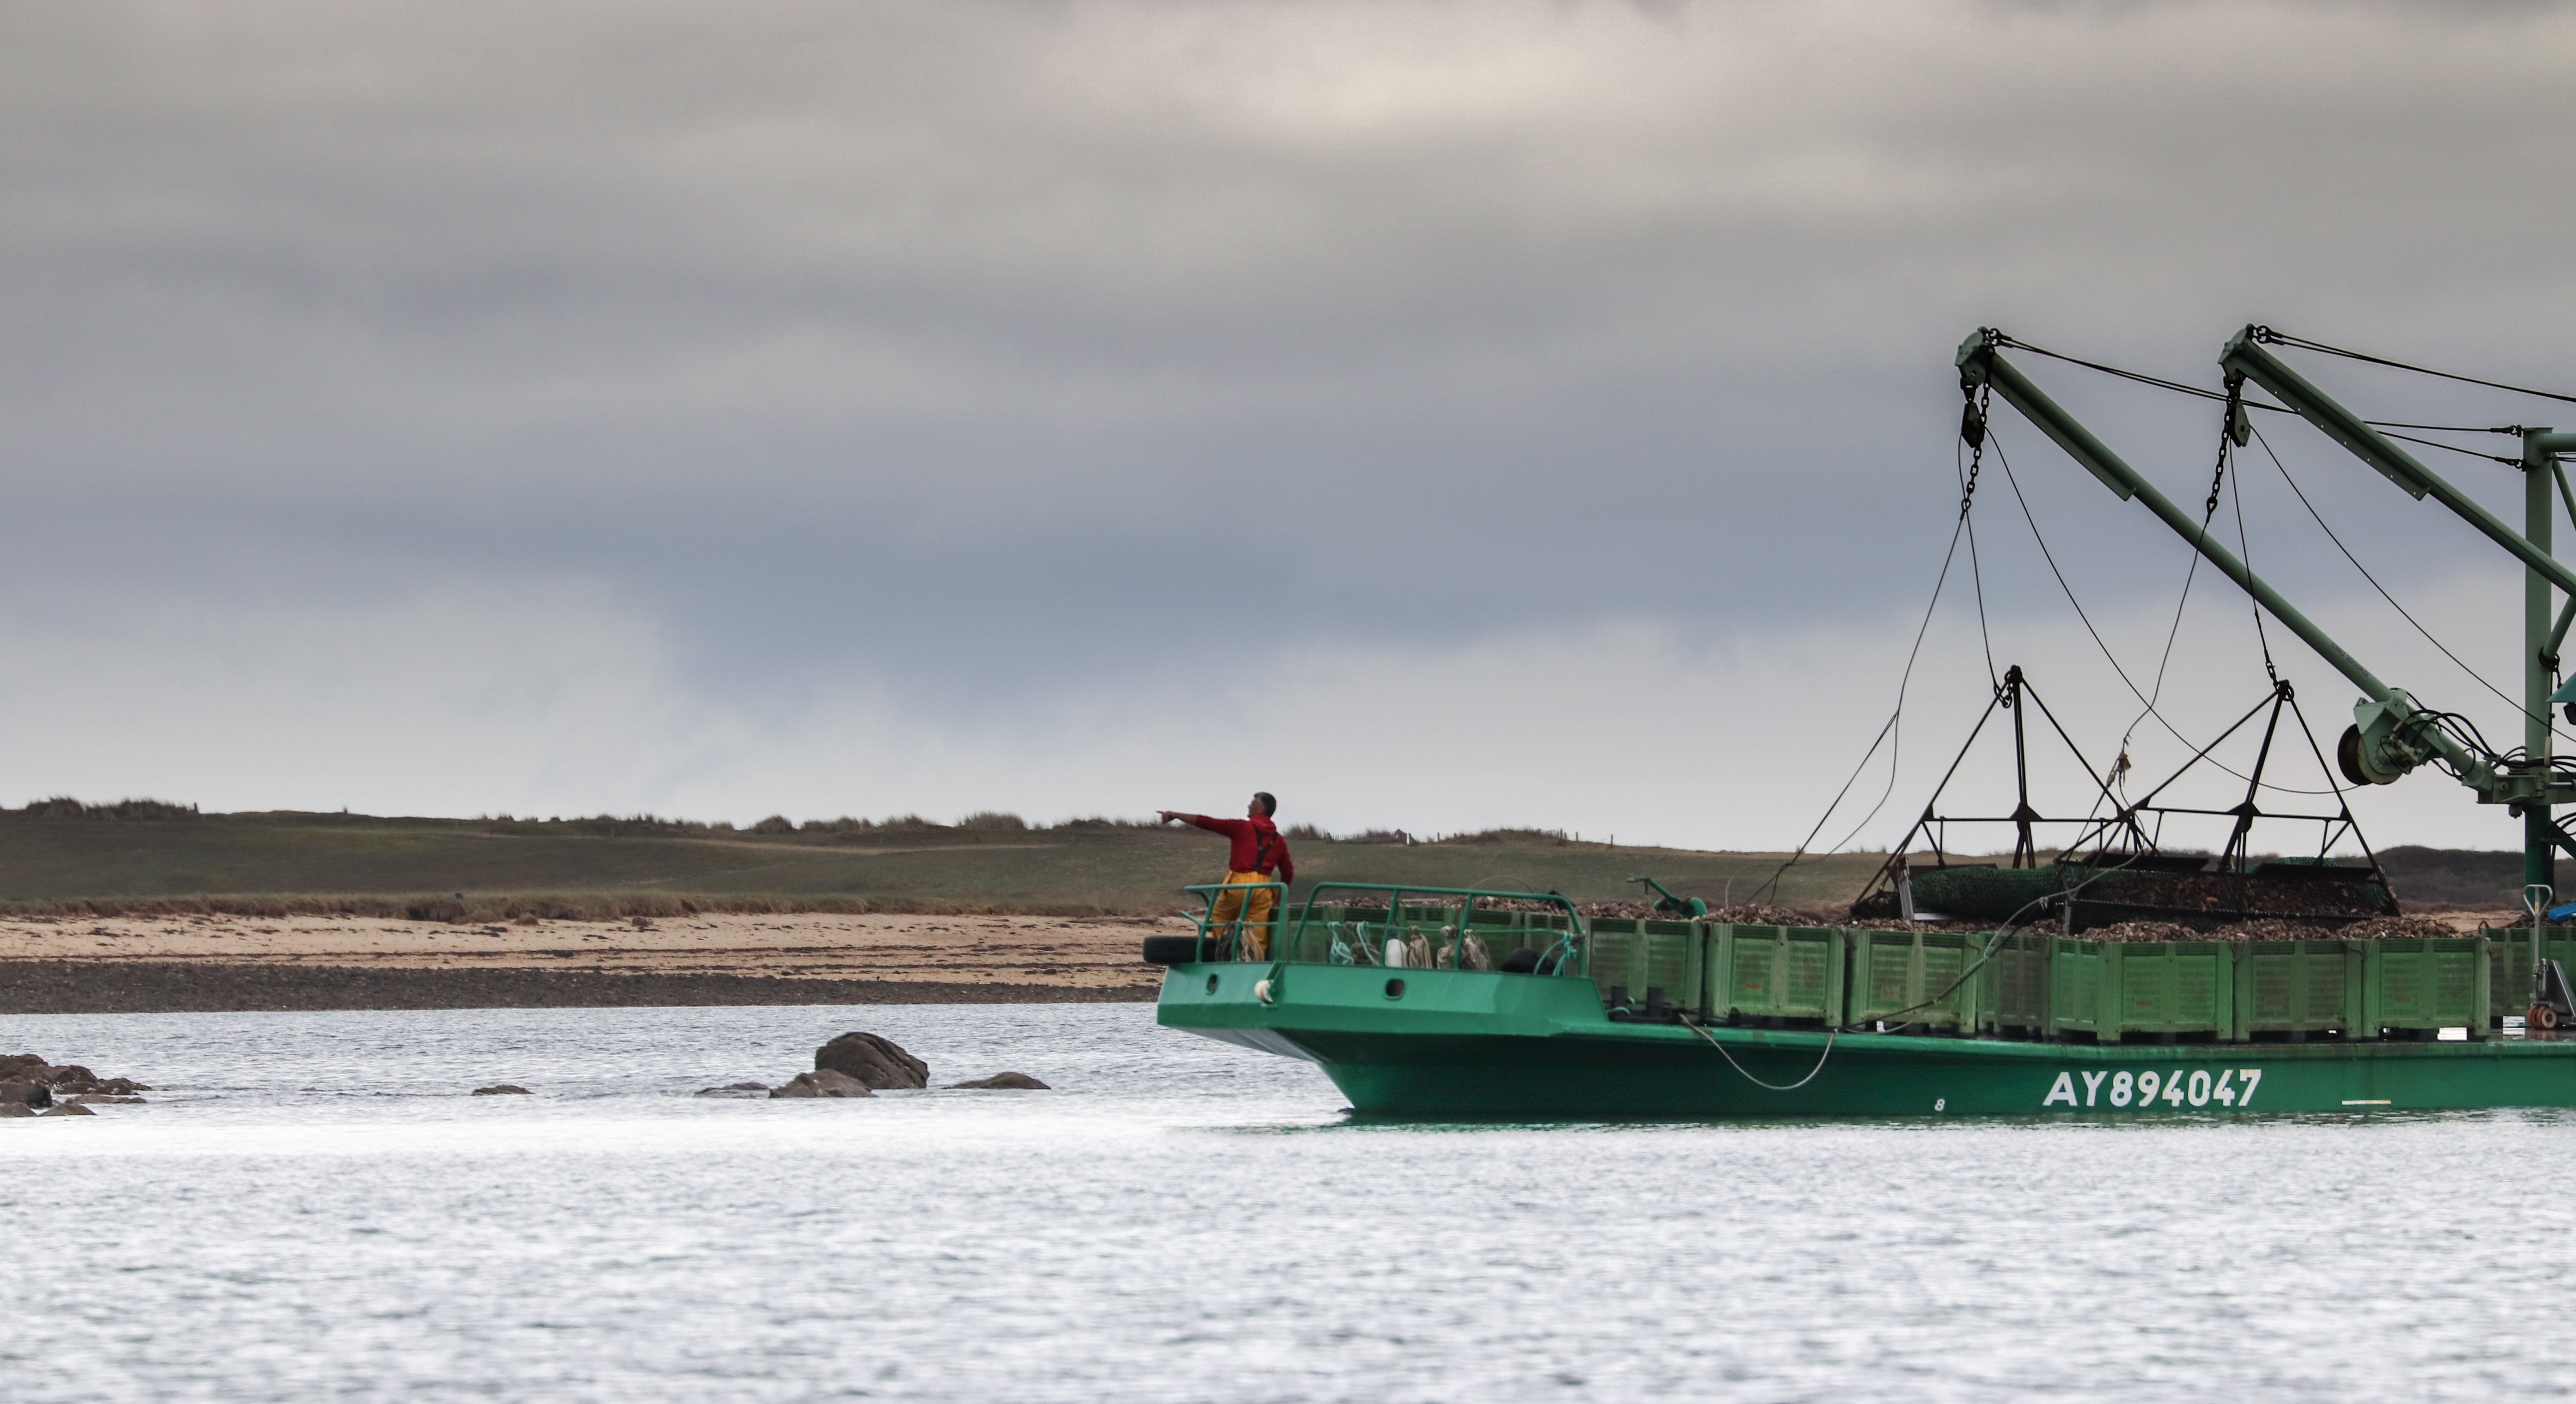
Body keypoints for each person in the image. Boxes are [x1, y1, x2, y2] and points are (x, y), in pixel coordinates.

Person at [1159, 793, 1294, 959]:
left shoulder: (1242, 827)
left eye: (1253, 804)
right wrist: (1278, 897)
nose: (1249, 806)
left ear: (1261, 809)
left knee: (1219, 917)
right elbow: (1288, 872)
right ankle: (1255, 964)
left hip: (1240, 884)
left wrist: (1177, 815)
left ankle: (1223, 957)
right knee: (1257, 932)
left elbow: (1208, 823)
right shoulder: (1278, 840)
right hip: (1264, 890)